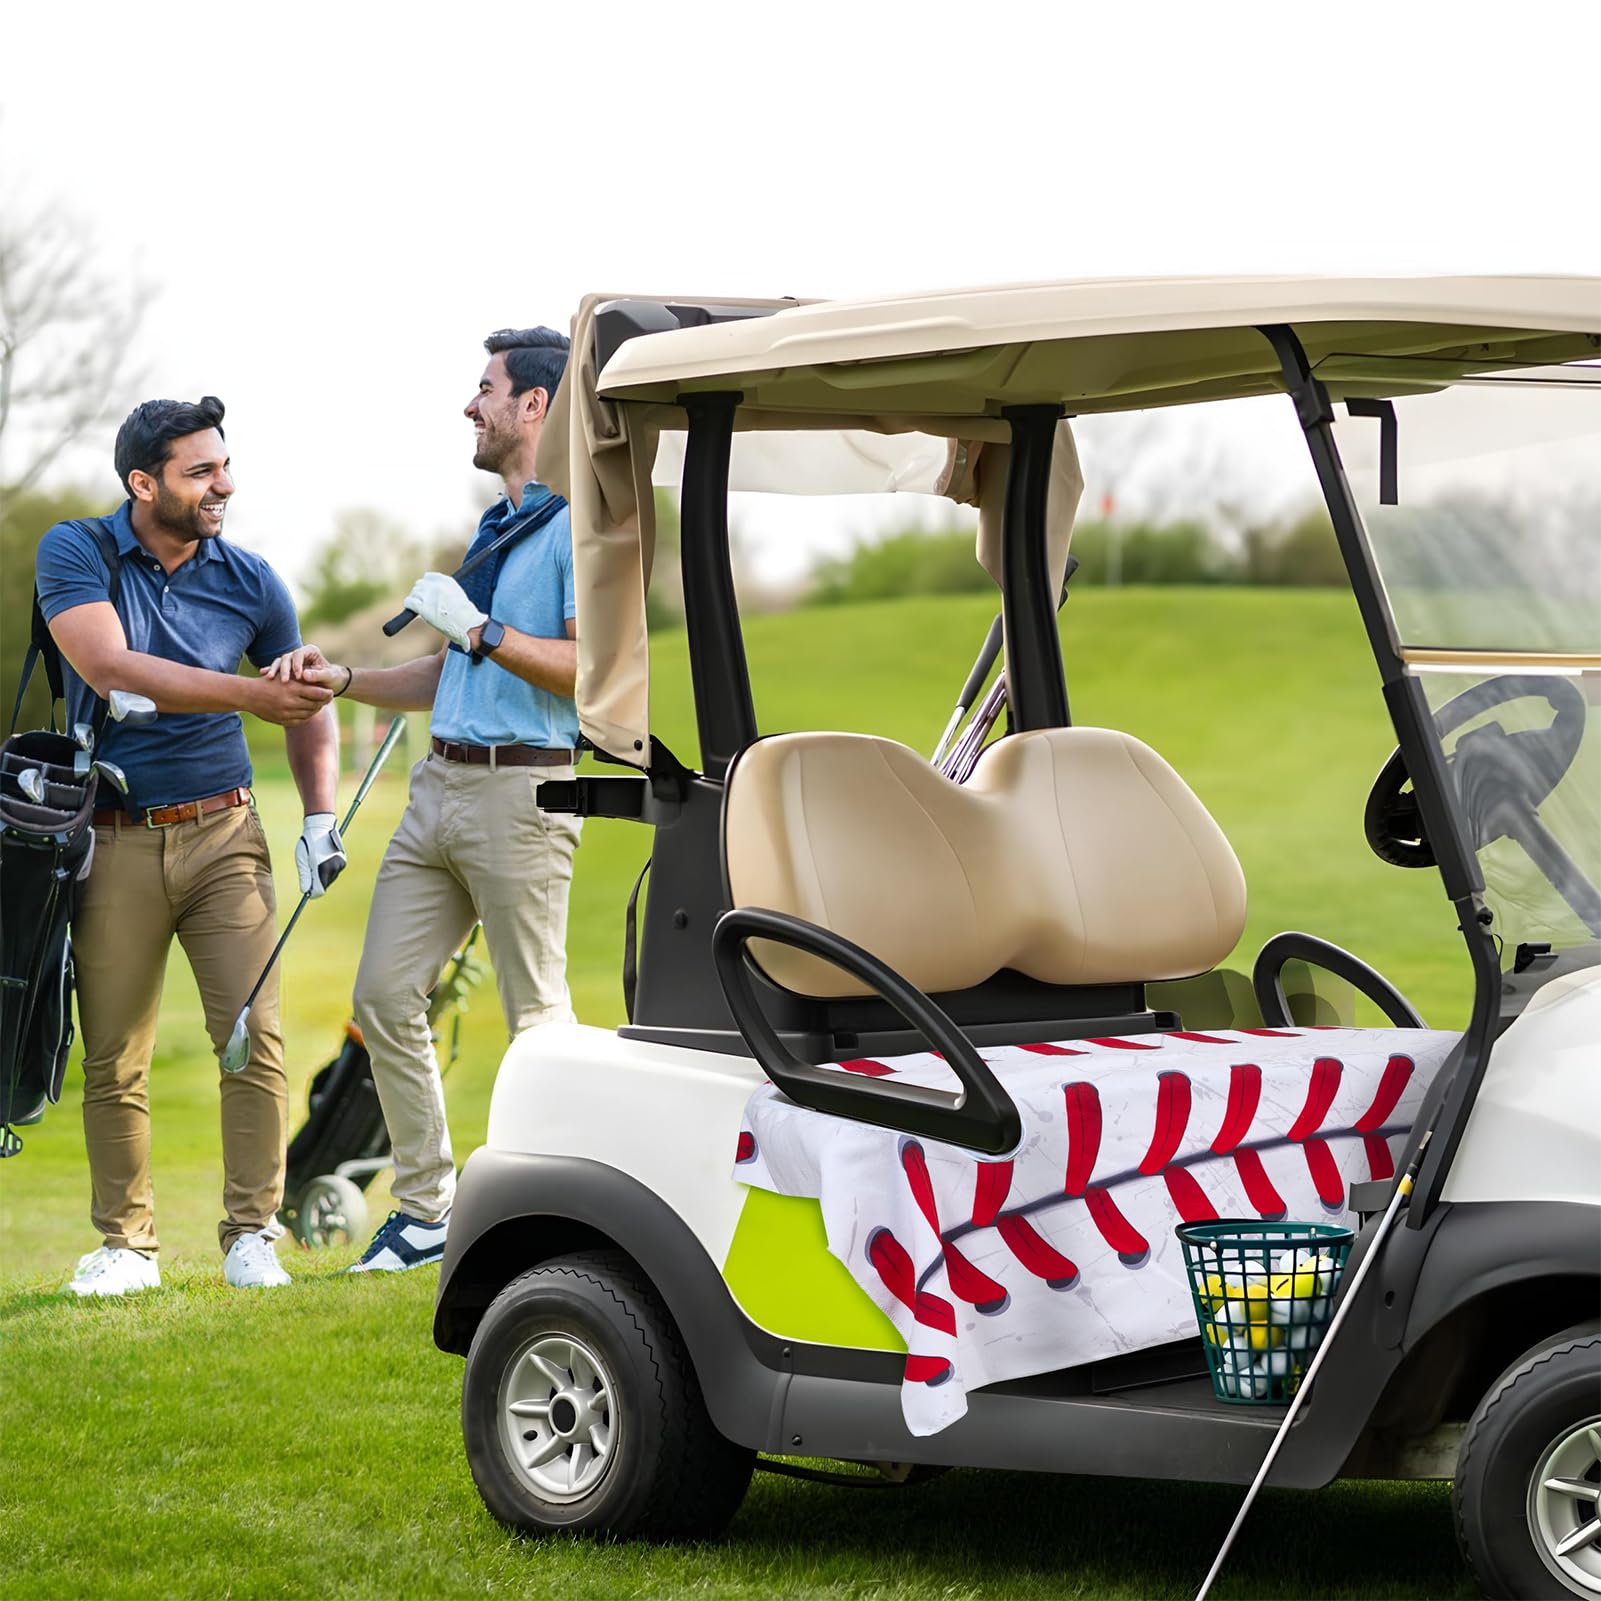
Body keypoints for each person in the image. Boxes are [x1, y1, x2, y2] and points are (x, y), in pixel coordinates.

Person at [263, 327, 581, 1272]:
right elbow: (451, 669)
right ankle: (427, 1207)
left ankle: (563, 1218)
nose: (469, 405)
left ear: (534, 404)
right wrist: (345, 677)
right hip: (438, 787)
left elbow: (588, 669)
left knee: (537, 1020)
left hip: (523, 791)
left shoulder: (581, 525)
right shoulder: (496, 526)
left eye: (485, 388)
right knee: (383, 995)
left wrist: (481, 629)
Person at [37, 395, 343, 1296]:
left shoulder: (252, 579)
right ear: (144, 483)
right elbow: (110, 668)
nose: (224, 484)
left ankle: (252, 1234)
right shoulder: (77, 550)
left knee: (252, 1035)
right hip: (114, 837)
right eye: (200, 470)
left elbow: (304, 697)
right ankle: (127, 1245)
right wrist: (253, 695)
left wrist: (318, 815)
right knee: (114, 1055)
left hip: (225, 835)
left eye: (225, 464)